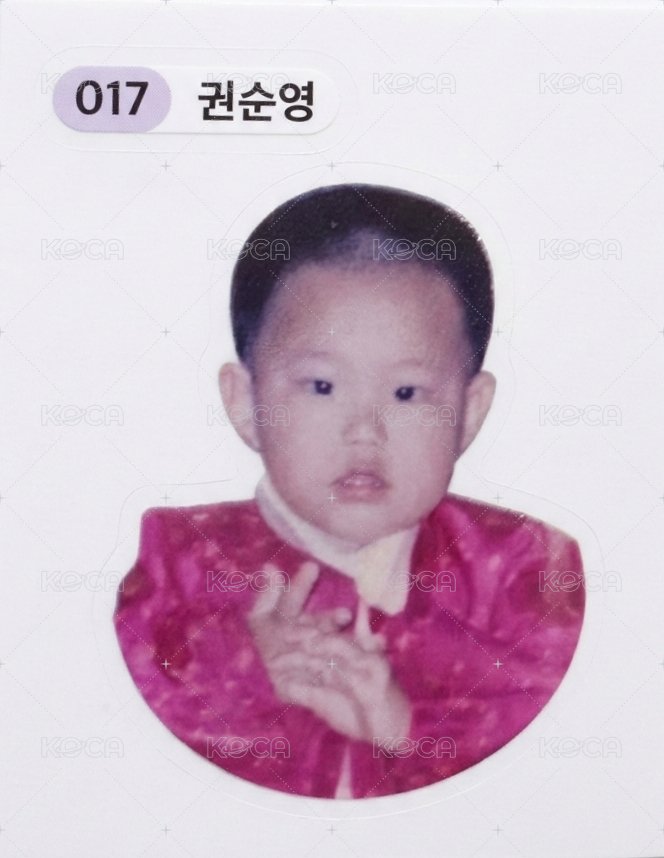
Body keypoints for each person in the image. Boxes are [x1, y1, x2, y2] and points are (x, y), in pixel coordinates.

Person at [113, 183, 585, 799]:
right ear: (245, 402)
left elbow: (558, 778)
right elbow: (131, 758)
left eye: (407, 393)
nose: (365, 430)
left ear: (469, 413)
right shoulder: (179, 564)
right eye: (322, 387)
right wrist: (246, 671)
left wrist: (400, 727)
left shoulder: (527, 573)